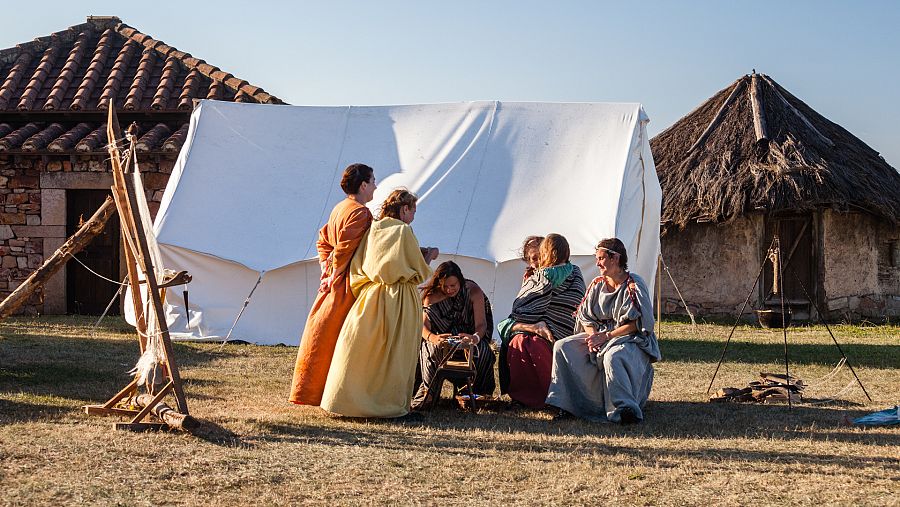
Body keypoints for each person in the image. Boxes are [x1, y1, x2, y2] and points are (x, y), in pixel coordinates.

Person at [320, 189, 434, 418]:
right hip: (399, 298)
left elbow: (363, 263)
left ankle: (350, 401)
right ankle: (387, 405)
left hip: (371, 296)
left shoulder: (374, 228)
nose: (413, 216)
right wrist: (429, 255)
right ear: (404, 209)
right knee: (395, 353)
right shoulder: (403, 230)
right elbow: (417, 270)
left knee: (364, 350)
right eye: (413, 210)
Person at [545, 238, 661, 424]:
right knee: (563, 346)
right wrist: (593, 338)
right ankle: (565, 404)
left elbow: (638, 324)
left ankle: (624, 408)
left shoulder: (633, 285)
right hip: (599, 335)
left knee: (613, 356)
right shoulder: (597, 284)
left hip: (629, 338)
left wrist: (607, 336)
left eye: (600, 258)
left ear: (614, 258)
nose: (597, 263)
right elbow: (585, 317)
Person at [289, 163, 376, 406]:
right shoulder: (359, 212)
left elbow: (323, 240)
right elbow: (343, 248)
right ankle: (325, 392)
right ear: (363, 185)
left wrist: (325, 269)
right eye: (373, 181)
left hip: (334, 280)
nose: (376, 186)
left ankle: (311, 390)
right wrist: (333, 273)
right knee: (339, 338)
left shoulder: (340, 208)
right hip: (346, 283)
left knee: (322, 333)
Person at [497, 234, 585, 408]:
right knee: (522, 338)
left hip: (562, 329)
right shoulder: (569, 272)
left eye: (538, 257)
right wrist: (534, 325)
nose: (535, 264)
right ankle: (526, 397)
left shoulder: (545, 276)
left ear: (547, 254)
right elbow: (525, 311)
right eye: (531, 260)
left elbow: (572, 301)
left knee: (523, 341)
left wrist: (541, 321)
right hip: (539, 328)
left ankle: (545, 396)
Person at [411, 261, 496, 409]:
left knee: (483, 351)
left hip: (470, 340)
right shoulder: (431, 297)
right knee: (429, 349)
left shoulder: (473, 291)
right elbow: (423, 327)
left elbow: (481, 324)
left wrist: (474, 338)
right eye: (445, 286)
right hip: (442, 343)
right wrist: (434, 338)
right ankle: (429, 395)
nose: (449, 290)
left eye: (453, 286)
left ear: (461, 282)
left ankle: (478, 395)